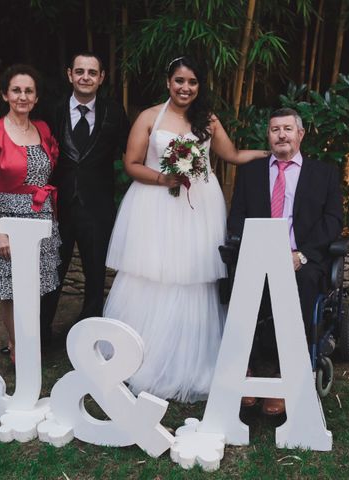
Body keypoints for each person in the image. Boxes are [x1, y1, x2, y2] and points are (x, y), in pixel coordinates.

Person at [104, 55, 267, 403]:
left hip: (199, 208)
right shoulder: (149, 117)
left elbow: (233, 155)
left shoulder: (207, 120)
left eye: (192, 82)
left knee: (194, 275)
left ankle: (192, 359)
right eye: (179, 81)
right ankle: (143, 357)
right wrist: (166, 178)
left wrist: (274, 153)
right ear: (168, 82)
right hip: (156, 204)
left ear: (199, 86)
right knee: (153, 273)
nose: (185, 88)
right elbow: (130, 164)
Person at [227, 107, 343, 415]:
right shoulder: (251, 172)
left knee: (303, 284)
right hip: (258, 254)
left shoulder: (324, 173)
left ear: (300, 134)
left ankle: (285, 373)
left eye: (287, 129)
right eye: (275, 129)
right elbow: (237, 217)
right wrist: (255, 250)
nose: (281, 135)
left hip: (301, 258)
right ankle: (245, 369)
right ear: (268, 135)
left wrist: (302, 254)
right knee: (239, 284)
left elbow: (332, 222)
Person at [0, 64, 61, 363]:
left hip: (41, 215)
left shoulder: (44, 129)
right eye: (16, 90)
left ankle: (31, 340)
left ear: (36, 98)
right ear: (5, 94)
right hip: (8, 217)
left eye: (28, 91)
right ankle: (15, 345)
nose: (22, 96)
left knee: (35, 285)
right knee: (10, 287)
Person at [40, 52, 130, 348]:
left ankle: (90, 337)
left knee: (95, 274)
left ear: (102, 77)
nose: (85, 77)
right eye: (80, 71)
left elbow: (130, 155)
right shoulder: (51, 110)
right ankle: (41, 334)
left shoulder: (115, 113)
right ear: (70, 74)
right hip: (59, 206)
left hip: (98, 205)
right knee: (53, 270)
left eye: (92, 72)